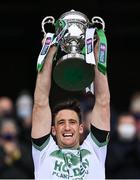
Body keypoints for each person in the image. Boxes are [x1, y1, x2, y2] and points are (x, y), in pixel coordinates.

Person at [31, 33, 110, 179]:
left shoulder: (95, 149)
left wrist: (98, 54)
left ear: (81, 128)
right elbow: (40, 104)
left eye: (72, 122)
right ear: (53, 130)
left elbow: (103, 102)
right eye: (61, 123)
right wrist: (49, 52)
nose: (67, 127)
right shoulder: (43, 152)